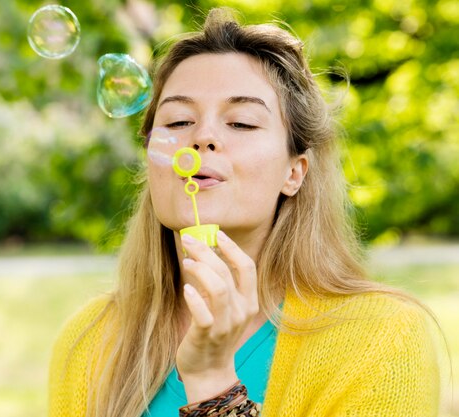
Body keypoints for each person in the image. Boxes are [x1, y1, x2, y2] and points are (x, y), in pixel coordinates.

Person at [48, 7, 441, 417]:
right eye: (179, 120)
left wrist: (213, 382)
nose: (202, 137)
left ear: (294, 172)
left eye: (241, 123)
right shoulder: (91, 338)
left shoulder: (381, 337)